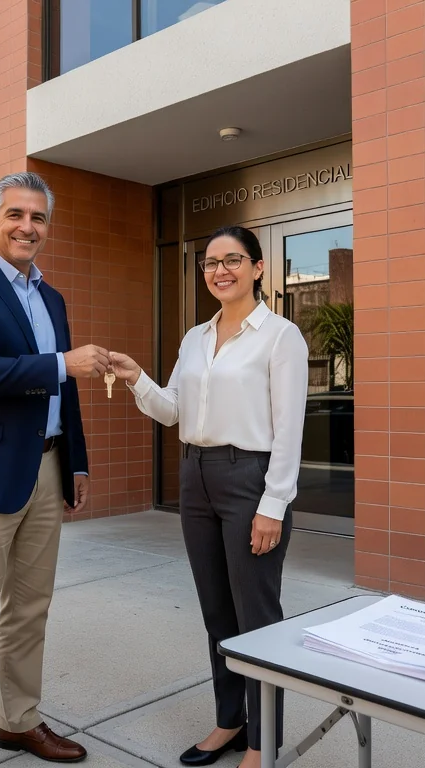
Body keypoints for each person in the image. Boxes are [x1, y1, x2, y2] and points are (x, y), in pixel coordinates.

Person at [107, 225, 308, 767]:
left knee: (257, 616)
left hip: (251, 479)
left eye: (233, 260)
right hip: (195, 477)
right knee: (217, 611)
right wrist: (135, 378)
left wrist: (273, 505)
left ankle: (263, 745)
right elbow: (173, 409)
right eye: (211, 262)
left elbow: (290, 429)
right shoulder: (195, 337)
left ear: (258, 268)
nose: (220, 270)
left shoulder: (280, 336)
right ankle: (230, 721)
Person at [0, 171, 109, 768]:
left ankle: (20, 721)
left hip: (49, 466)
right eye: (14, 215)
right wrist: (61, 362)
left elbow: (68, 389)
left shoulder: (51, 298)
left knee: (31, 609)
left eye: (37, 218)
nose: (26, 227)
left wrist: (76, 461)